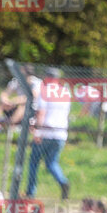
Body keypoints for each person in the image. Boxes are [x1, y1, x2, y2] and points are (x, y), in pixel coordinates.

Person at [26, 68, 71, 199]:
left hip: (45, 132)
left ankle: (31, 192)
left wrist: (37, 132)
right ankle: (63, 181)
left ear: (47, 77)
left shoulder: (44, 91)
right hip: (61, 134)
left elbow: (41, 113)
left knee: (34, 162)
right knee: (51, 163)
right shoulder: (65, 92)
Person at [0, 64, 42, 131]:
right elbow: (6, 92)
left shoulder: (37, 83)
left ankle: (8, 128)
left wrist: (14, 101)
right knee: (1, 103)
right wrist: (5, 99)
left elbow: (31, 97)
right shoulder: (17, 80)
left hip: (32, 110)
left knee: (22, 106)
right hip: (15, 104)